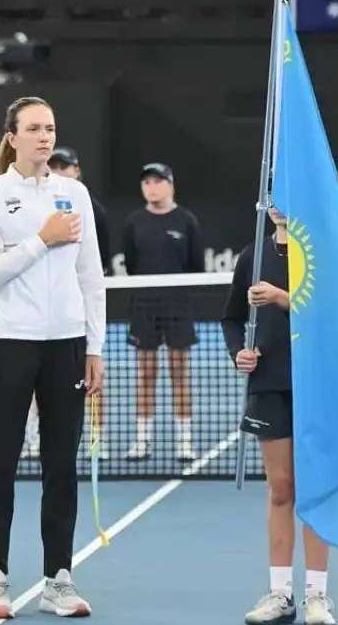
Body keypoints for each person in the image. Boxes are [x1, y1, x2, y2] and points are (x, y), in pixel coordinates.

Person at [0, 96, 105, 618]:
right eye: (34, 128)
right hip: (10, 342)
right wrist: (41, 240)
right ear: (12, 137)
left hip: (66, 345)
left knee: (61, 467)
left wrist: (94, 347)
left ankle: (58, 580)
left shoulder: (75, 194)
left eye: (50, 128)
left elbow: (91, 276)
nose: (45, 136)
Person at [222, 204, 336, 625]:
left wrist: (281, 298)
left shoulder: (320, 253)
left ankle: (317, 597)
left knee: (315, 489)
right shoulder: (251, 256)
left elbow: (331, 315)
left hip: (315, 384)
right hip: (269, 385)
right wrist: (239, 352)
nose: (278, 203)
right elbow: (232, 318)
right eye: (272, 194)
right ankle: (280, 594)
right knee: (281, 489)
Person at [121, 162, 204, 462]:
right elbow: (132, 264)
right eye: (147, 182)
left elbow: (196, 266)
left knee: (180, 373)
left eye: (157, 181)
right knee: (145, 375)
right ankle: (142, 441)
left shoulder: (187, 220)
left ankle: (184, 442)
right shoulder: (134, 222)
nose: (151, 187)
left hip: (178, 307)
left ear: (170, 184)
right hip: (143, 308)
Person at [48, 146, 110, 275]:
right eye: (53, 167)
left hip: (79, 276)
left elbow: (102, 256)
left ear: (77, 171)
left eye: (63, 167)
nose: (58, 172)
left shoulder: (94, 209)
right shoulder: (38, 203)